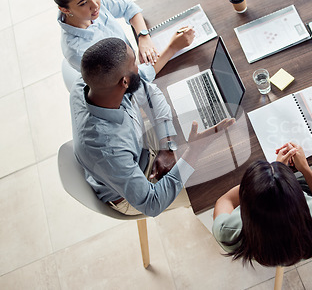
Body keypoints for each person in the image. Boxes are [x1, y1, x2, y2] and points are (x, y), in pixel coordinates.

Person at [70, 37, 233, 217]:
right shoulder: (108, 150)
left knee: (202, 128)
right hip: (133, 193)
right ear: (124, 82)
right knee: (221, 182)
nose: (138, 67)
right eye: (134, 63)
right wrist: (194, 151)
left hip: (136, 147)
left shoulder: (88, 84)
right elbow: (152, 203)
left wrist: (167, 147)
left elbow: (151, 94)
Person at [45, 0, 194, 82]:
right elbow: (131, 80)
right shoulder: (80, 52)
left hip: (132, 62)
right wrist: (173, 47)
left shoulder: (93, 5)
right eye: (83, 3)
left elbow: (129, 7)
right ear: (64, 9)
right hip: (123, 86)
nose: (95, 5)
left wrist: (143, 36)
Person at [212, 142, 312, 267]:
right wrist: (304, 169)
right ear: (298, 196)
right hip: (308, 240)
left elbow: (225, 200)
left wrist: (260, 182)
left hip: (270, 253)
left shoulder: (228, 232)